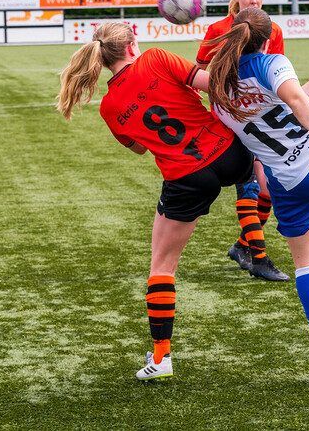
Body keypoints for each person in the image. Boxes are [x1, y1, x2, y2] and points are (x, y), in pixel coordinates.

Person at [56, 22, 255, 381]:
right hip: (228, 154)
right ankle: (255, 234)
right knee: (257, 164)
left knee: (161, 267)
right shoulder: (157, 58)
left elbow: (138, 147)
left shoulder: (109, 106)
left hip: (187, 179)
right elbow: (212, 84)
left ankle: (162, 357)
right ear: (133, 45)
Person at [207, 7, 309, 383]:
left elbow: (271, 114)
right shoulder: (272, 63)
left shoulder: (219, 98)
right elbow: (297, 104)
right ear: (266, 40)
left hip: (293, 183)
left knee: (308, 264)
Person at [196, 0, 287, 281]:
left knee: (268, 190)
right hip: (231, 122)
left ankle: (241, 245)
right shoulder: (218, 30)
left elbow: (275, 73)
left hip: (260, 119)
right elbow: (199, 71)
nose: (254, 1)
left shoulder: (271, 29)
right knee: (249, 185)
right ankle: (259, 258)